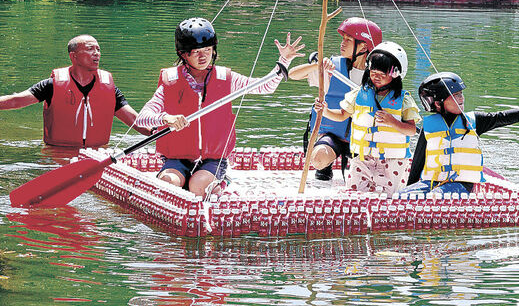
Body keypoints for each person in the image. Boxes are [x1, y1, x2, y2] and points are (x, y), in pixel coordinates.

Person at [135, 17, 304, 198]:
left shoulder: (226, 78)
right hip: (176, 159)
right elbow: (142, 117)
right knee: (168, 184)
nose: (203, 56)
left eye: (208, 50)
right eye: (196, 52)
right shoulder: (170, 81)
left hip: (213, 159)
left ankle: (221, 182)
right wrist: (165, 118)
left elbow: (266, 87)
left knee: (198, 187)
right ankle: (181, 180)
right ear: (183, 54)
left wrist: (284, 60)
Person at [402, 72, 519, 195]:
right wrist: (410, 188)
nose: (461, 98)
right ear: (438, 103)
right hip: (431, 183)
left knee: (438, 196)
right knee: (403, 196)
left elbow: (502, 117)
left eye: (461, 94)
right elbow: (418, 162)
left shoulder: (474, 121)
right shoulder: (429, 125)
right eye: (456, 95)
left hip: (461, 185)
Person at [0, 34, 144, 147]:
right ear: (73, 56)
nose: (96, 53)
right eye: (90, 49)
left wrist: (160, 131)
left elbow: (135, 121)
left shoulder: (109, 89)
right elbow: (15, 101)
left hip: (97, 154)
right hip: (57, 154)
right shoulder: (52, 85)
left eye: (98, 49)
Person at [314, 41, 420, 194]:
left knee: (389, 199)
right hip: (363, 158)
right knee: (354, 195)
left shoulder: (404, 100)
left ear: (395, 74)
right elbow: (342, 115)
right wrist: (324, 110)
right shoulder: (358, 94)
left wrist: (392, 122)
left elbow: (411, 130)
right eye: (373, 72)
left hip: (392, 161)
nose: (376, 77)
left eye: (382, 75)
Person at [289, 17, 382, 181]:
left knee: (369, 179)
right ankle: (325, 167)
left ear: (364, 46)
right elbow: (292, 74)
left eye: (348, 40)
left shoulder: (377, 76)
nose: (343, 43)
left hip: (364, 139)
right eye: (343, 39)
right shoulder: (333, 68)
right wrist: (317, 66)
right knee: (318, 159)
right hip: (333, 135)